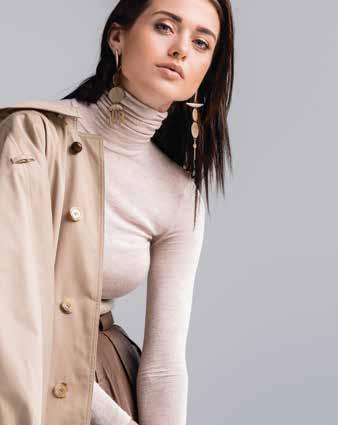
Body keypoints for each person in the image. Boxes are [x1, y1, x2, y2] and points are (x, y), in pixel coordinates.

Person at [0, 1, 234, 424]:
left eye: (201, 43)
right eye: (165, 27)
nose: (181, 49)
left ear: (207, 71)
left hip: (108, 378)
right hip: (23, 376)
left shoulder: (180, 194)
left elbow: (164, 368)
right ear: (117, 37)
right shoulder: (32, 137)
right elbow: (12, 309)